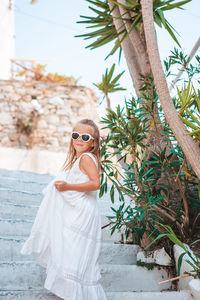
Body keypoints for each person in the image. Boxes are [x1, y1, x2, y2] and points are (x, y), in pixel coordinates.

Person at [20, 118, 108, 300]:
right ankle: (74, 294)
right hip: (83, 211)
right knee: (73, 252)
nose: (79, 140)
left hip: (83, 213)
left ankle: (73, 294)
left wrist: (67, 187)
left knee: (72, 252)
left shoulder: (85, 158)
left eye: (85, 137)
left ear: (93, 143)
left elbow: (95, 183)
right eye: (75, 135)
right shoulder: (83, 158)